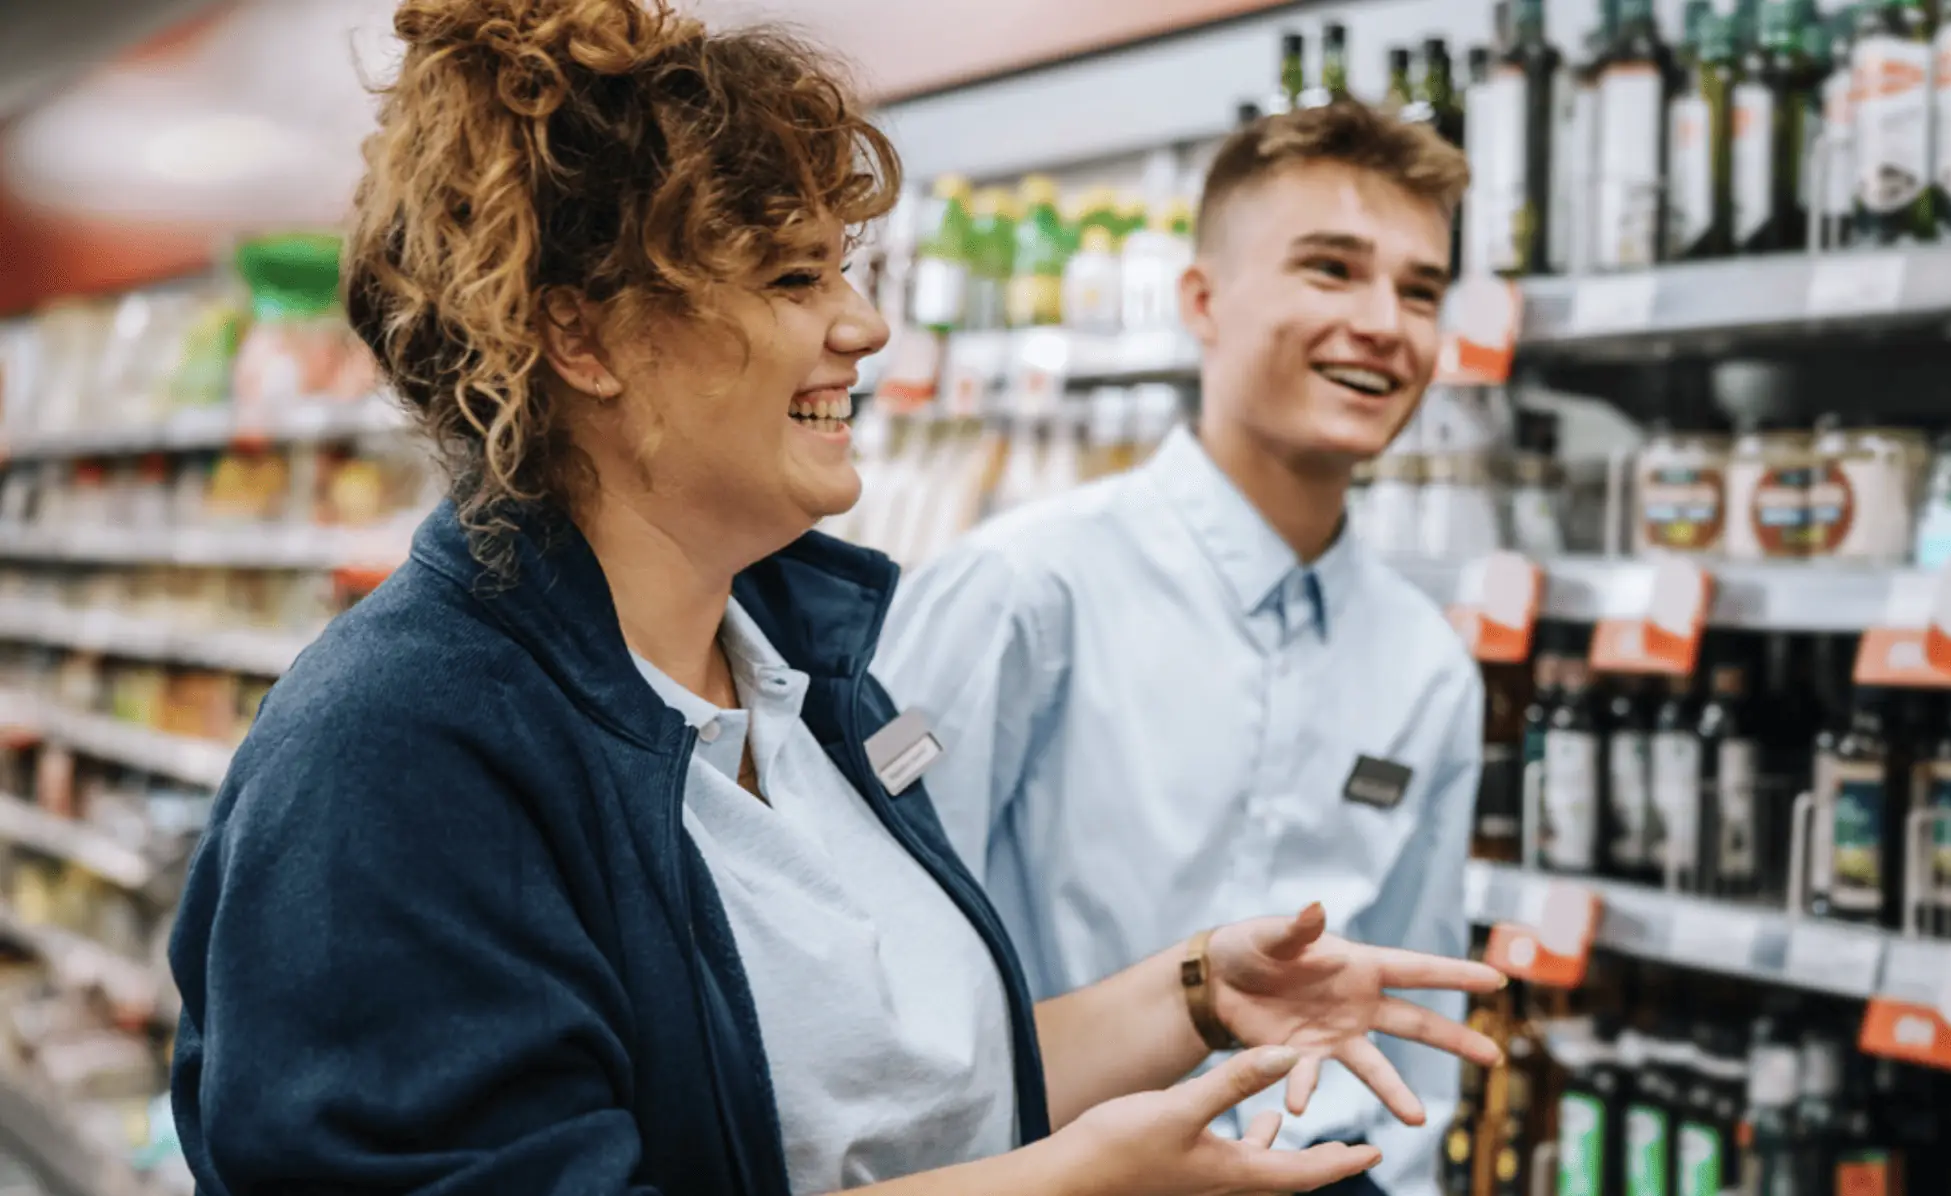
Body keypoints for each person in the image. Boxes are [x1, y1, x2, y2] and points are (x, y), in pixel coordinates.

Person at [164, 3, 1508, 1195]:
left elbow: (899, 1095)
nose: (860, 326)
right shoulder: (395, 752)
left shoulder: (796, 686)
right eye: (796, 278)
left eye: (845, 269)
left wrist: (1199, 991)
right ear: (582, 335)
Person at [877, 101, 1485, 1196]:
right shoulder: (1022, 590)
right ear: (1200, 300)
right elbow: (886, 953)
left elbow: (1415, 998)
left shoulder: (1426, 663)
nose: (1384, 321)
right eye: (1331, 269)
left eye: (1421, 289)